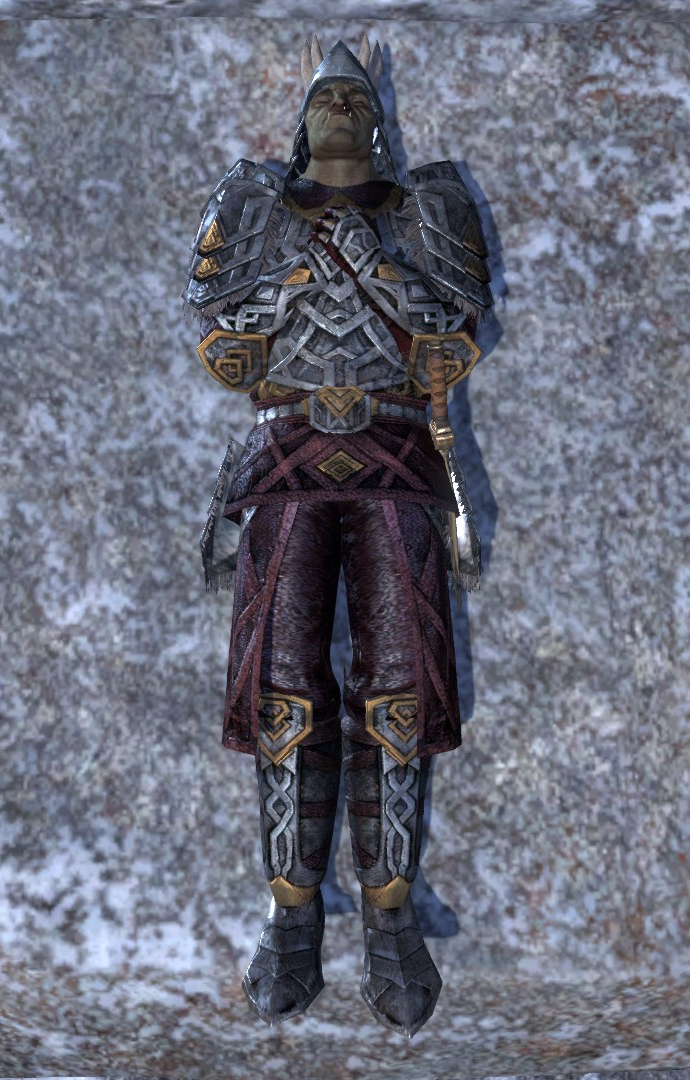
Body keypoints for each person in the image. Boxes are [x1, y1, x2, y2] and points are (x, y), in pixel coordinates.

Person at [183, 31, 493, 1037]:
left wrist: (375, 271)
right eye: (327, 98)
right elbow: (223, 343)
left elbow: (455, 333)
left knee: (399, 690)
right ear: (302, 118)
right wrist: (303, 281)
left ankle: (391, 919)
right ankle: (292, 916)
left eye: (356, 100)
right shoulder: (256, 204)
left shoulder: (427, 206)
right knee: (282, 689)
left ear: (380, 121)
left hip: (397, 456)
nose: (343, 108)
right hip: (284, 458)